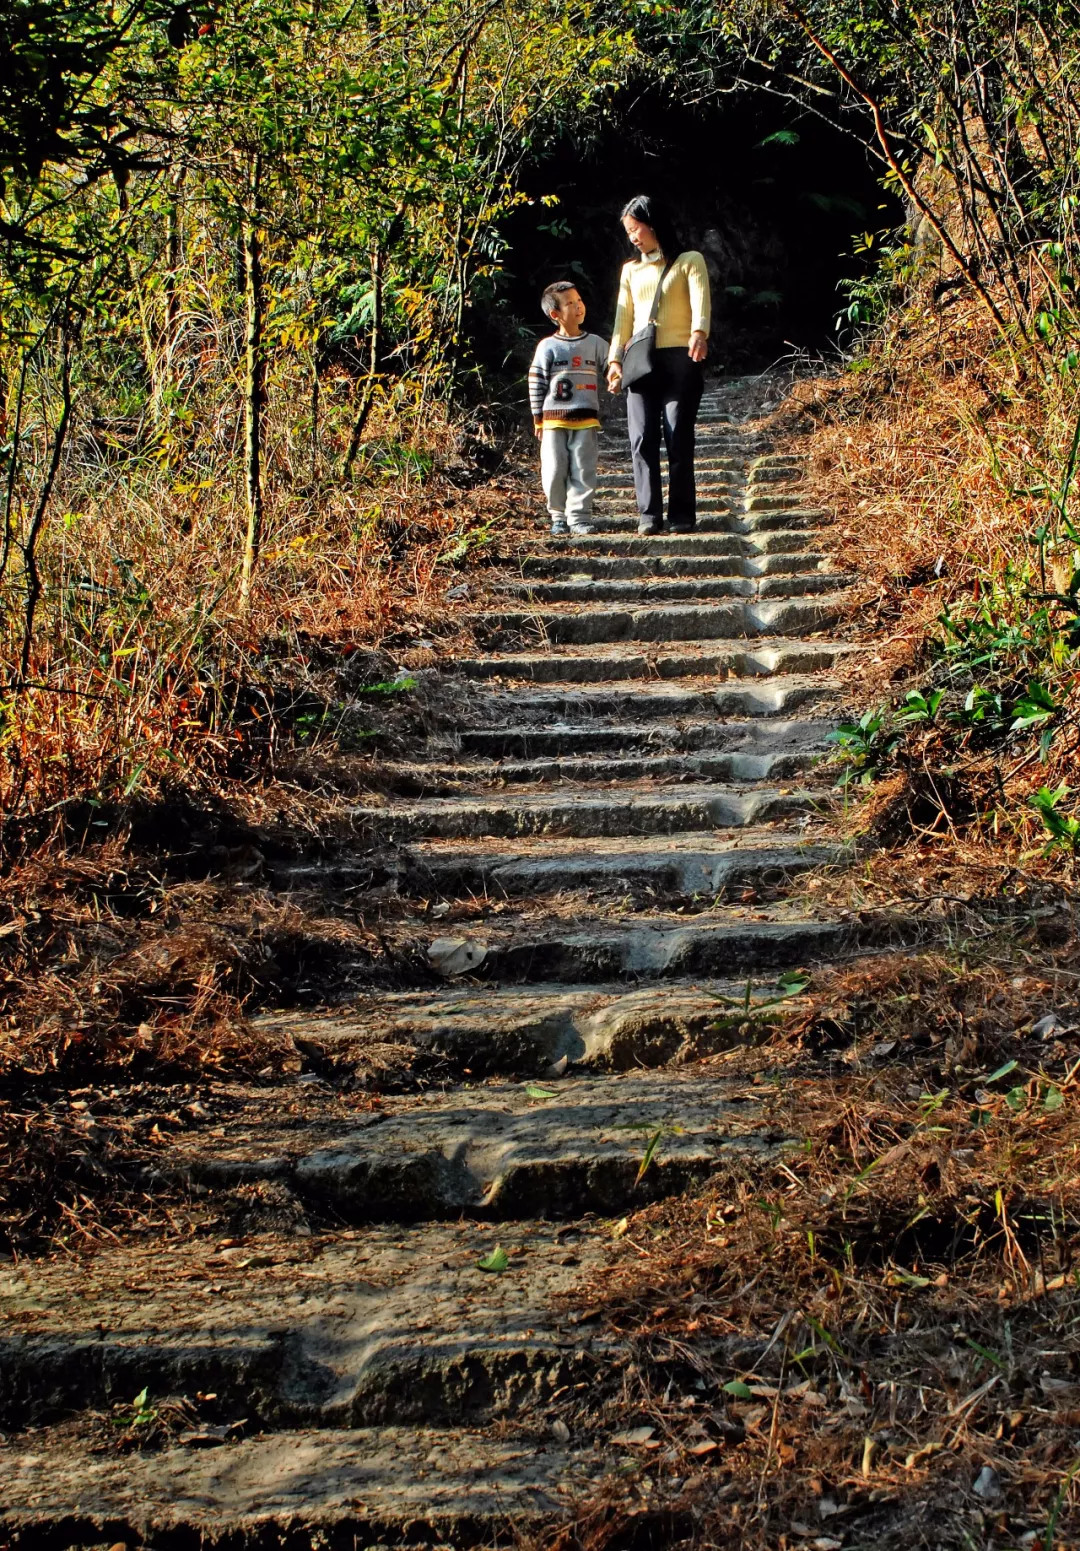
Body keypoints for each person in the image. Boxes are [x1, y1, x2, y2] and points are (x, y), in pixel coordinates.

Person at [607, 195, 711, 535]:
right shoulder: (630, 271)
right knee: (641, 438)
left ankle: (682, 515)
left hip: (680, 357)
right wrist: (614, 359)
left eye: (635, 229)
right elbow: (623, 319)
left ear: (653, 224)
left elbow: (699, 299)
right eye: (628, 232)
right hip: (640, 360)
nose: (633, 237)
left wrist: (699, 332)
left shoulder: (688, 260)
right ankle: (648, 515)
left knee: (678, 435)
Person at [527, 281, 607, 537]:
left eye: (579, 300)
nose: (578, 306)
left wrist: (616, 377)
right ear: (555, 314)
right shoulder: (547, 347)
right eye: (570, 303)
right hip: (553, 421)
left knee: (584, 467)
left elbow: (612, 366)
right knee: (554, 466)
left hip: (586, 419)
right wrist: (537, 417)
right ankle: (558, 515)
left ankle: (580, 516)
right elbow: (536, 381)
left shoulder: (595, 343)